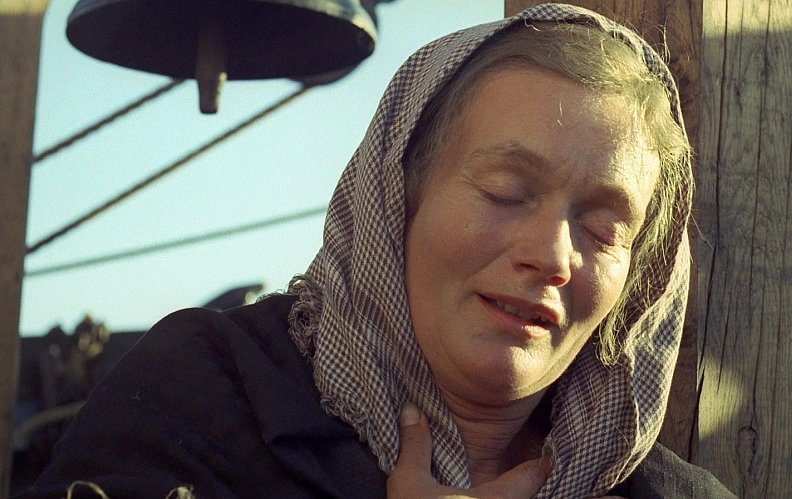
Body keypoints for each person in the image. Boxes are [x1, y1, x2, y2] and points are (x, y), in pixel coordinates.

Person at [18, 4, 736, 498]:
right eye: (505, 191)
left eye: (604, 230)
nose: (552, 255)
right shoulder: (202, 397)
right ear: (397, 200)